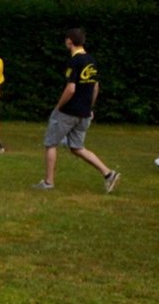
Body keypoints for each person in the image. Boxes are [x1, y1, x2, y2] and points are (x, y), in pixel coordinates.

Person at [32, 28, 121, 193]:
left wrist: (58, 107)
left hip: (68, 111)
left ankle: (48, 182)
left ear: (69, 41)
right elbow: (95, 86)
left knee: (51, 144)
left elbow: (71, 89)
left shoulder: (74, 61)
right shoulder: (91, 60)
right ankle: (108, 174)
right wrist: (90, 107)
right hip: (84, 113)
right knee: (77, 147)